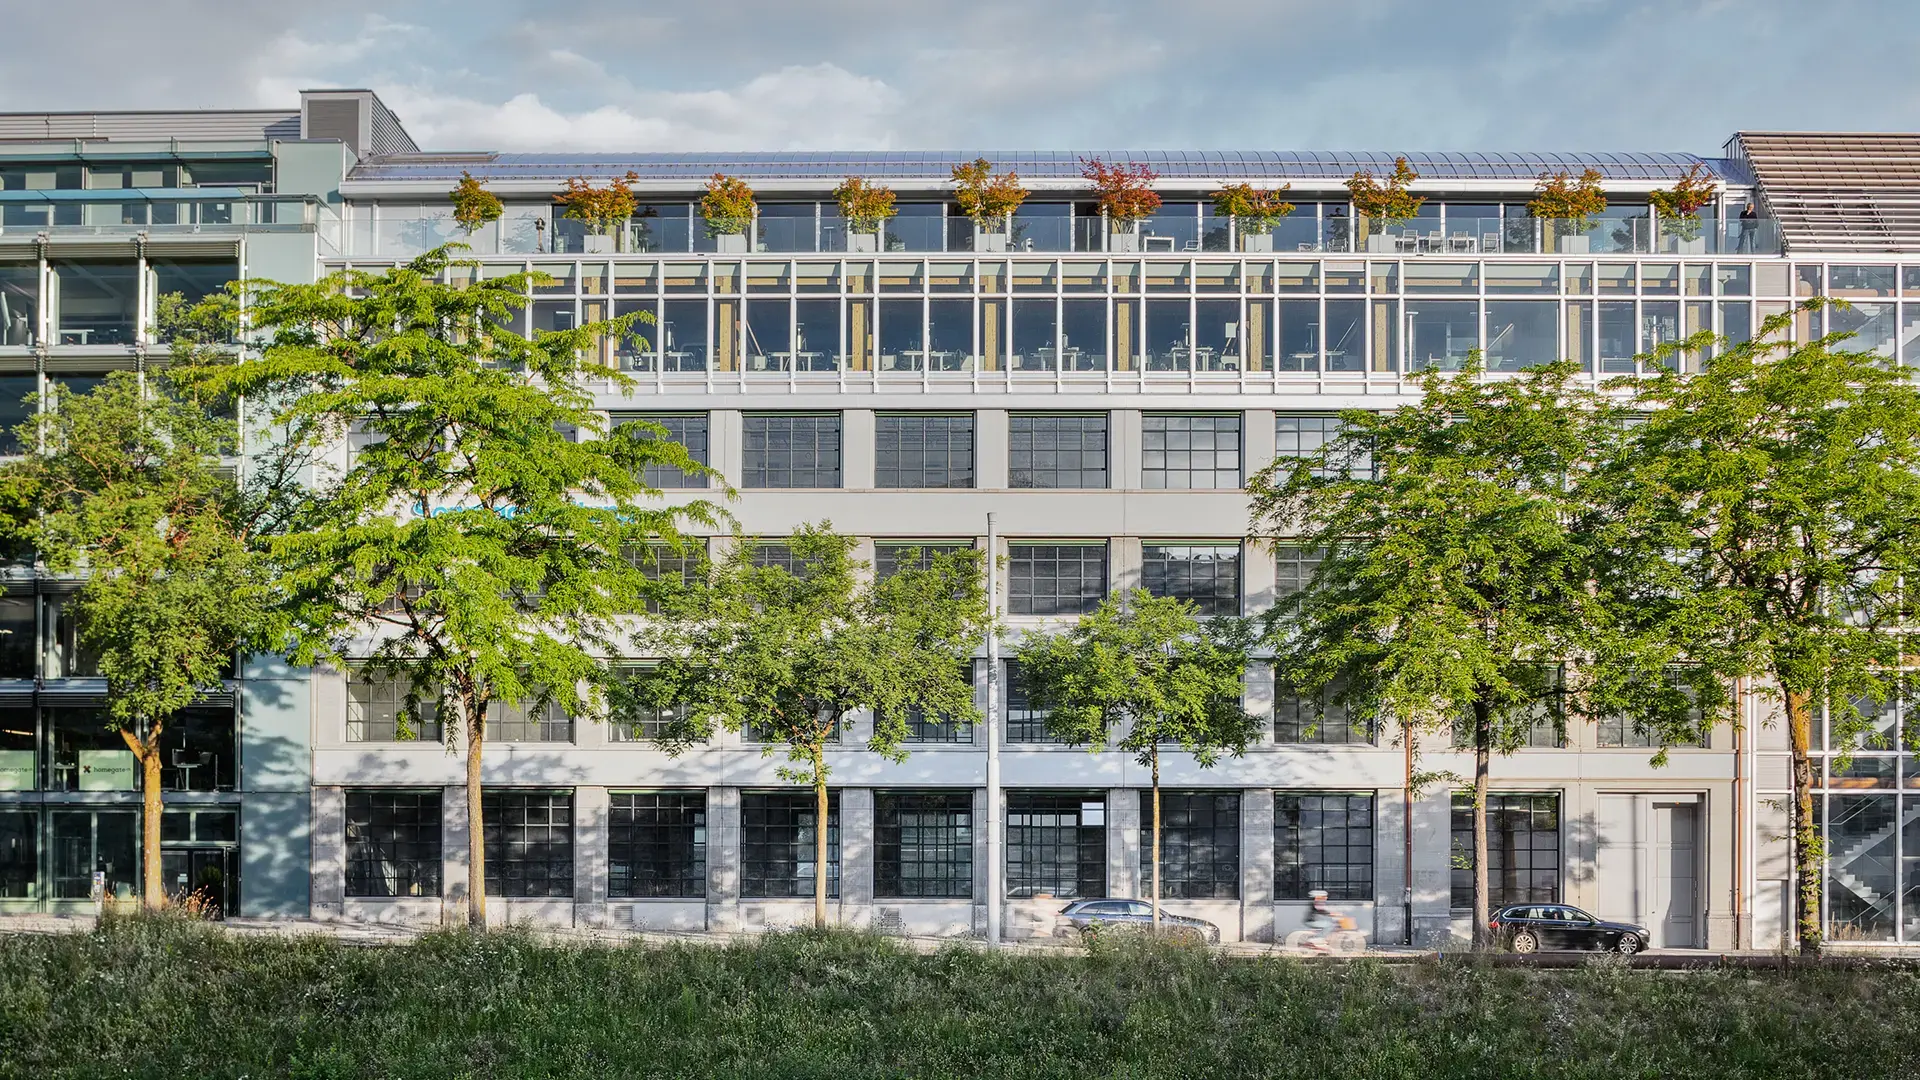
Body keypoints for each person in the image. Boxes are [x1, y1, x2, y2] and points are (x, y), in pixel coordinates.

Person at [1302, 889, 1336, 953]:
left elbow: (1321, 910)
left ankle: (1319, 940)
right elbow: (1321, 910)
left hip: (1310, 921)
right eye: (1324, 897)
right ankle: (1317, 939)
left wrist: (1331, 913)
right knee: (1329, 926)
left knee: (1326, 924)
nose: (1325, 898)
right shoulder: (1315, 903)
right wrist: (1331, 914)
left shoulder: (1315, 903)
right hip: (1311, 922)